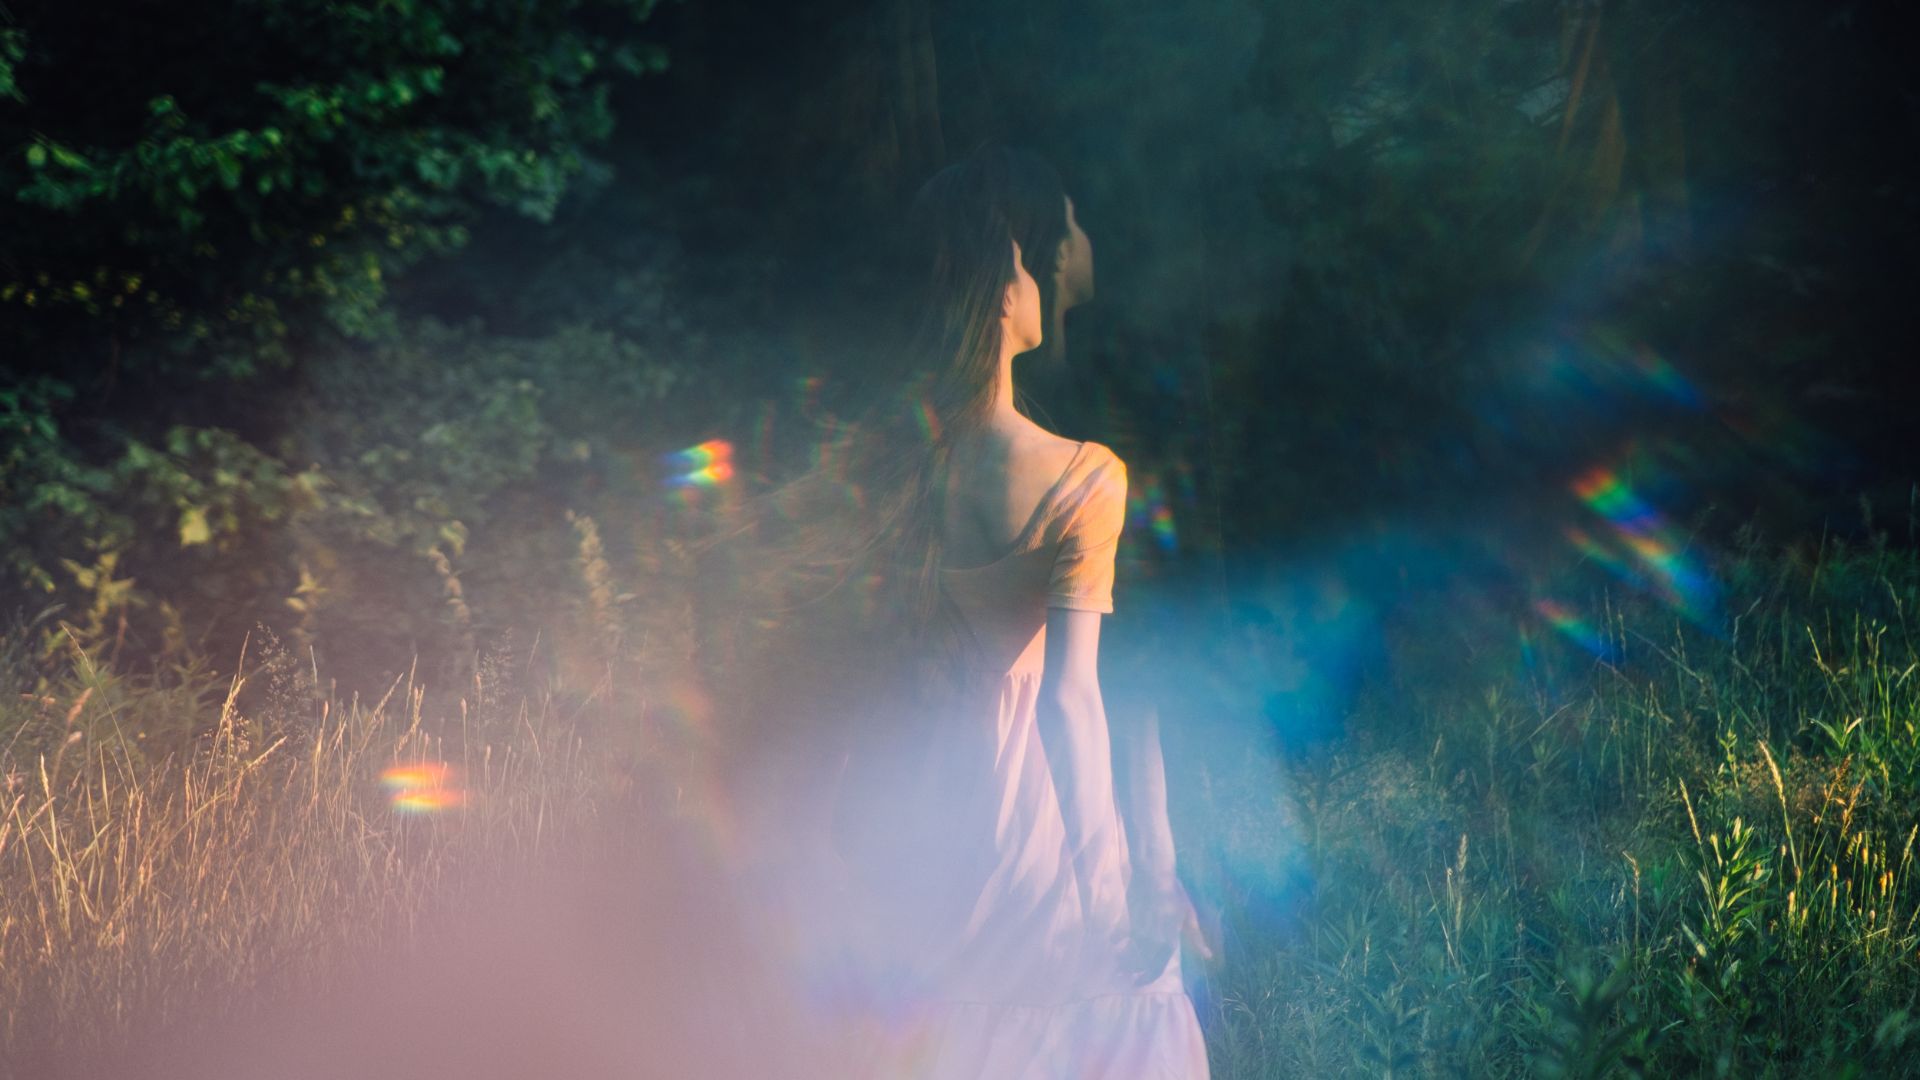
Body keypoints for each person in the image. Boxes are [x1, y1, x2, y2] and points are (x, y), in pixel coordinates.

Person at [700, 143, 1210, 1079]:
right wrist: (1113, 893)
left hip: (922, 801)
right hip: (1036, 824)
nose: (1086, 241)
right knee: (1093, 1026)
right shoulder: (1083, 475)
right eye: (1071, 224)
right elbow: (1074, 701)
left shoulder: (891, 463)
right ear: (1018, 265)